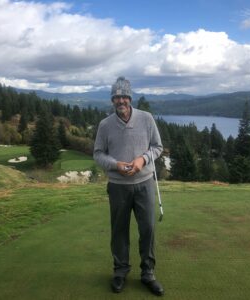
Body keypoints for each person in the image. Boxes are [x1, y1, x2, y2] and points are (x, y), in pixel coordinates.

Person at [93, 76, 164, 296]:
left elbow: (157, 147)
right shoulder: (105, 125)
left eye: (124, 96)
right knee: (119, 231)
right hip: (118, 186)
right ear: (112, 100)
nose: (120, 100)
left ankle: (148, 273)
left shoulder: (147, 118)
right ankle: (120, 271)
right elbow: (98, 154)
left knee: (148, 229)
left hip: (144, 183)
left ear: (130, 98)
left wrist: (142, 159)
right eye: (116, 96)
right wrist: (115, 164)